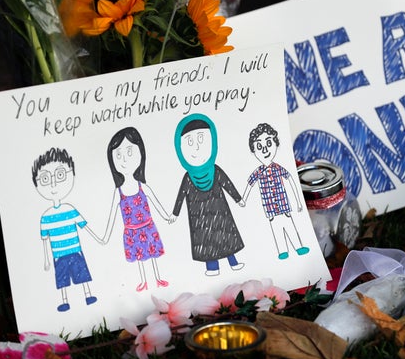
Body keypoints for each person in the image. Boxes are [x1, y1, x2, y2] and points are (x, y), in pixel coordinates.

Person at [170, 113, 245, 276]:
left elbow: (227, 184)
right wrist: (175, 213)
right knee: (206, 239)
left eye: (201, 138)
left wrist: (238, 199)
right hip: (199, 215)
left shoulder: (215, 170)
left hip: (219, 209)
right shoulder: (188, 177)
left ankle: (233, 261)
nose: (196, 147)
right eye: (189, 142)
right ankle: (212, 267)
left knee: (225, 233)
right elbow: (181, 195)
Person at [32, 147, 101, 312]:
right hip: (58, 255)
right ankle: (64, 301)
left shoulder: (70, 210)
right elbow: (45, 241)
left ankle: (88, 295)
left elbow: (84, 226)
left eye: (60, 175)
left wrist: (99, 238)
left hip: (75, 251)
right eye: (45, 179)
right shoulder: (45, 217)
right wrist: (46, 259)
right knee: (62, 279)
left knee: (81, 274)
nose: (54, 183)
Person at [103, 127, 169, 292]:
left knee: (152, 255)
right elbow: (112, 215)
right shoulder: (118, 191)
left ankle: (157, 278)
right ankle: (144, 280)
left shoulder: (142, 186)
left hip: (147, 227)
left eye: (129, 152)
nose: (124, 159)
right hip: (132, 232)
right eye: (118, 155)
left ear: (141, 152)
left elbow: (155, 202)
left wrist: (167, 216)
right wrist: (105, 236)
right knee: (140, 258)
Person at [241, 123, 309, 260]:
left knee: (290, 225)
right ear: (254, 150)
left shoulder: (278, 168)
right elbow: (249, 183)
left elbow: (291, 180)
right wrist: (243, 199)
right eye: (259, 146)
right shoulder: (258, 172)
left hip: (284, 207)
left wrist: (298, 201)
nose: (265, 149)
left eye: (268, 143)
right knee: (277, 230)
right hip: (271, 209)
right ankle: (282, 251)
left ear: (276, 144)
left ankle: (298, 247)